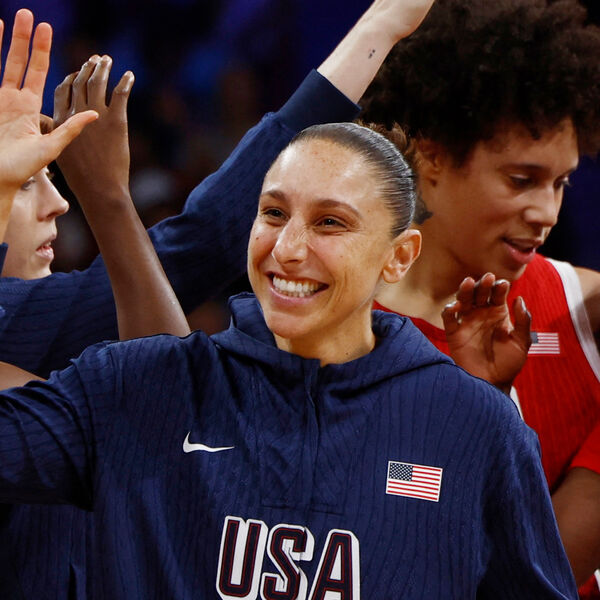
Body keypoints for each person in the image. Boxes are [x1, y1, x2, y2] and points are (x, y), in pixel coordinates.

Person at [0, 110, 580, 600]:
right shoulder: (136, 385)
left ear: (399, 256)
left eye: (330, 223)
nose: (288, 249)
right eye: (273, 213)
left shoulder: (477, 428)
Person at [0, 1, 432, 597]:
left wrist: (381, 25)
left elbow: (199, 251)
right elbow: (204, 243)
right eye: (24, 183)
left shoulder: (44, 322)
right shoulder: (27, 322)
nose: (56, 205)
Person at [357, 0, 600, 596]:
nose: (546, 212)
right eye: (521, 180)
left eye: (560, 182)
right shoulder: (338, 331)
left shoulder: (584, 307)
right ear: (433, 156)